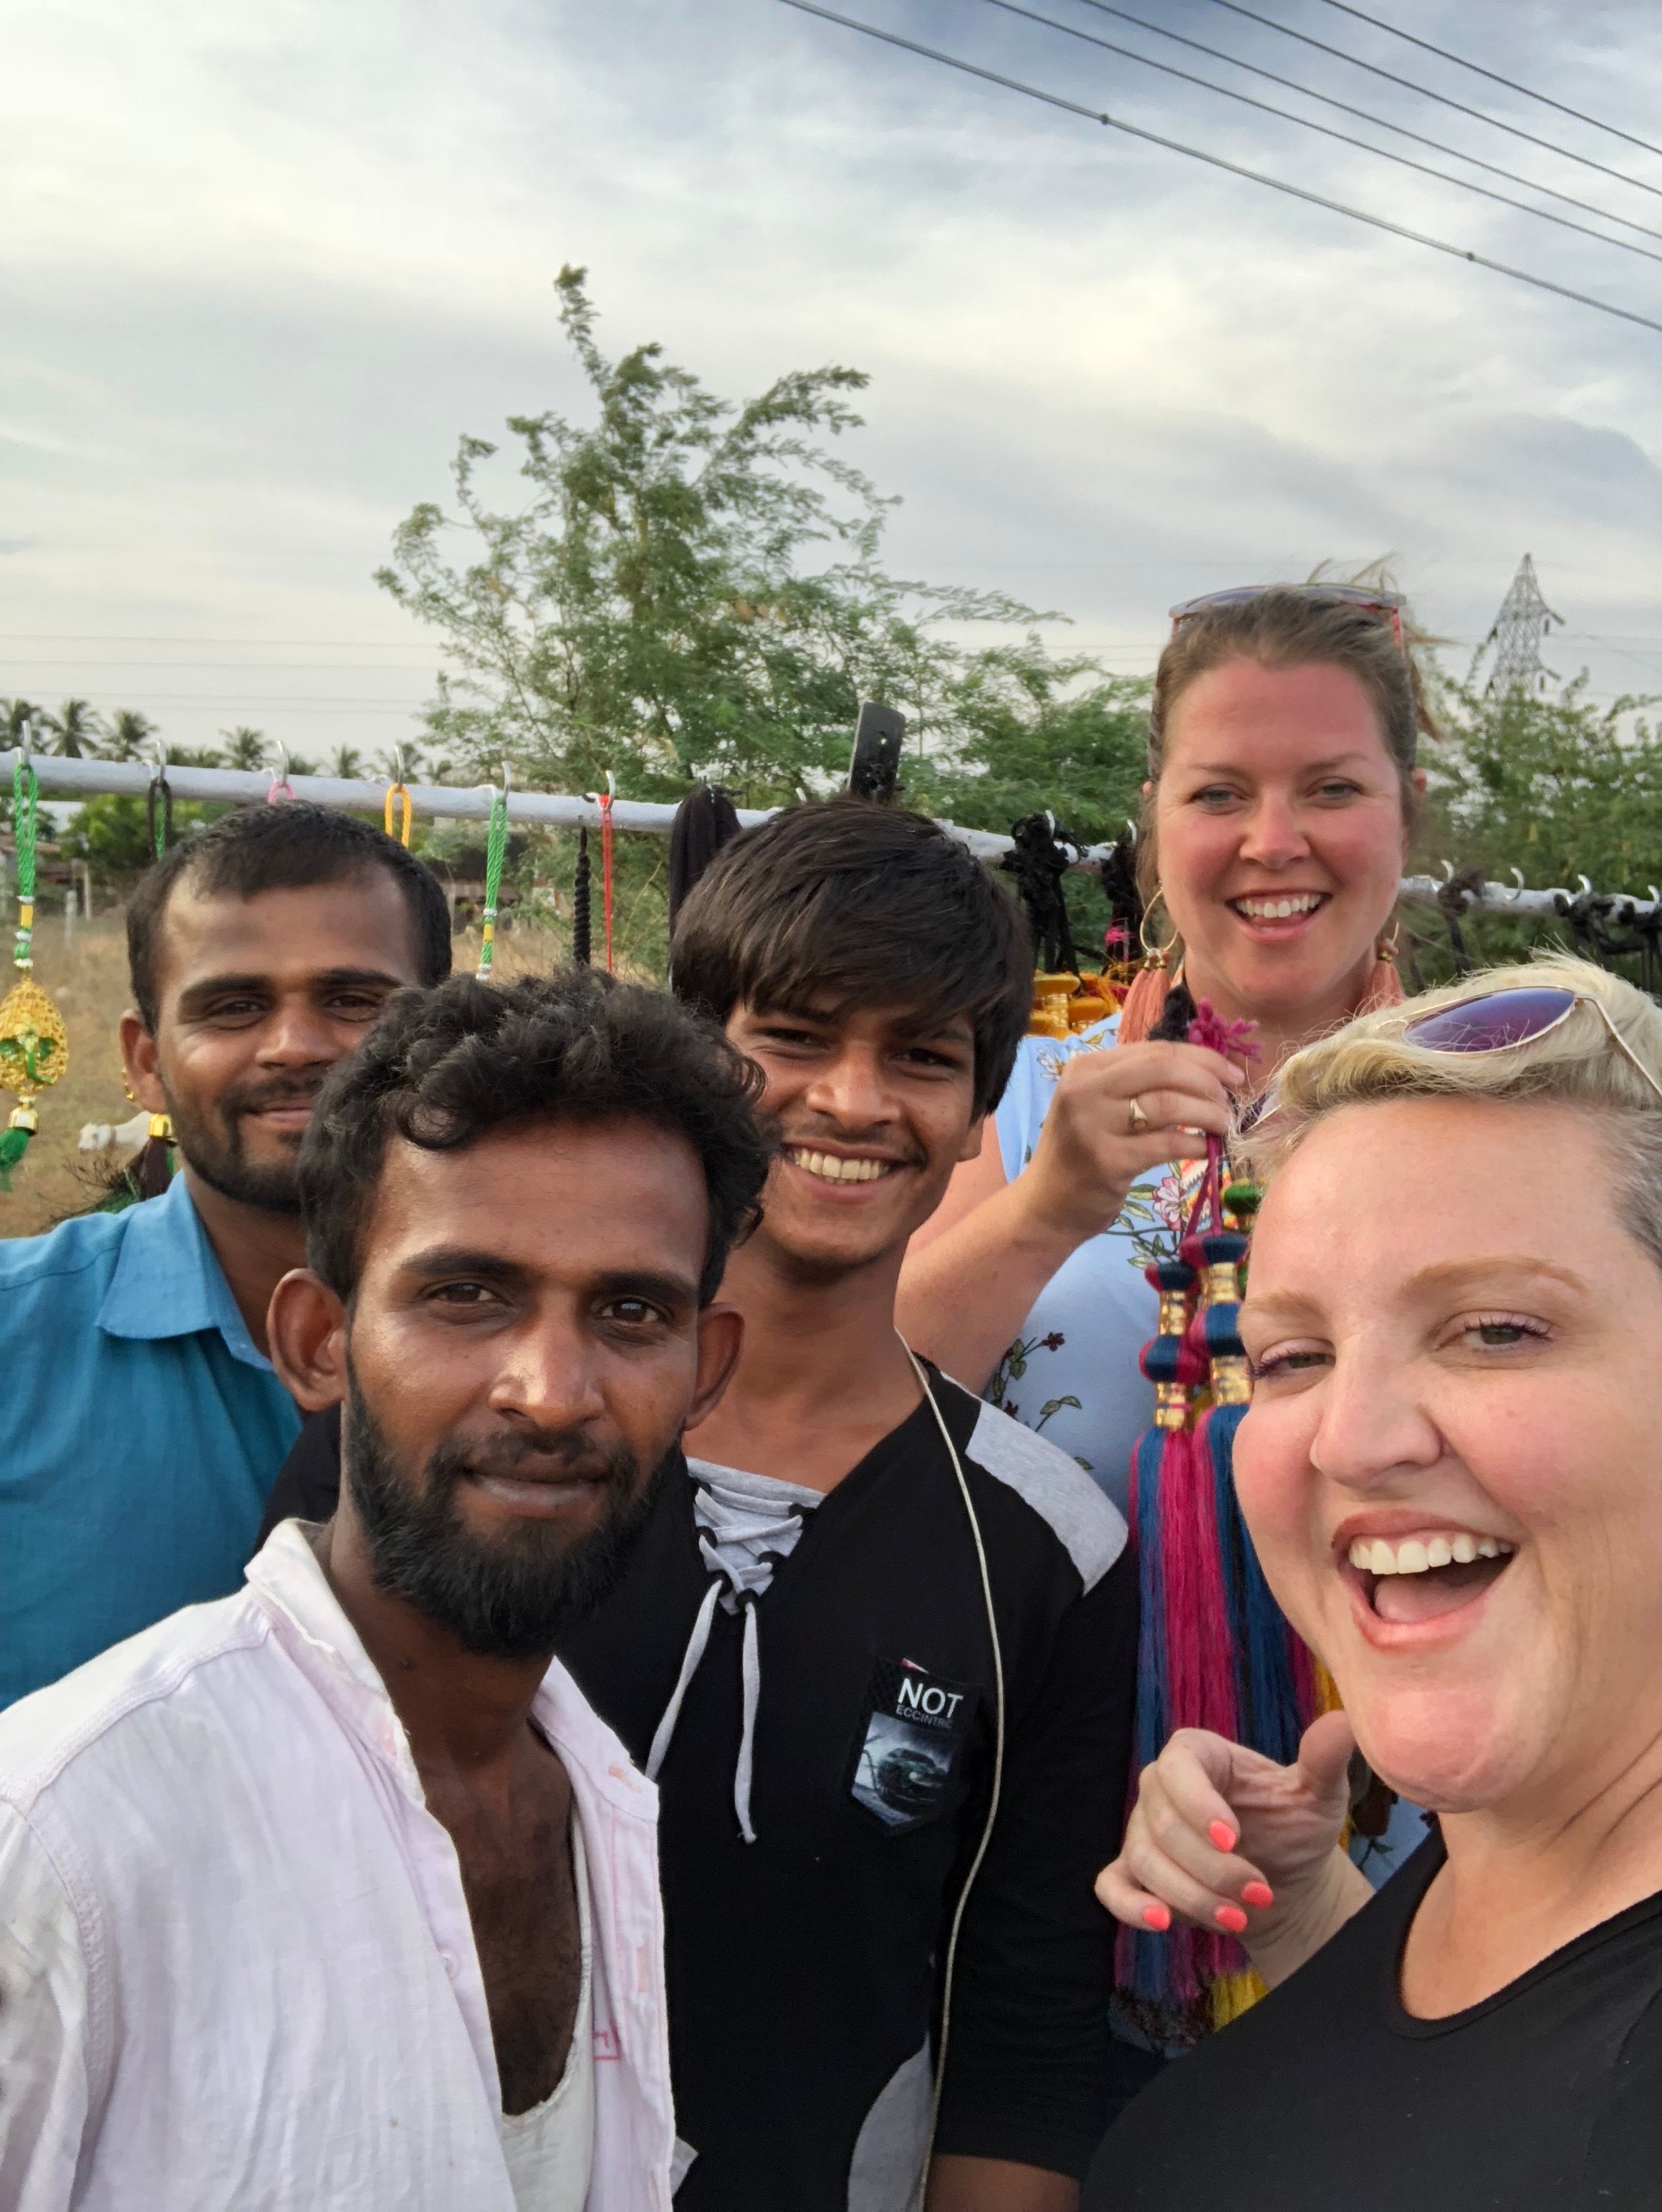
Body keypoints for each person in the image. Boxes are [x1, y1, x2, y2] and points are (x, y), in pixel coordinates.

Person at [261, 799, 1140, 2208]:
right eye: (791, 1034)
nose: (851, 1100)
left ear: (980, 1104)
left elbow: (1017, 2032)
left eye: (917, 1054)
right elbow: (257, 1852)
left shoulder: (1039, 1546)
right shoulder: (454, 1433)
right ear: (696, 1050)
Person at [0, 968, 773, 2211]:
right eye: (466, 1293)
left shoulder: (602, 1802)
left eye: (631, 1310)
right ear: (317, 1342)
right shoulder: (65, 1837)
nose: (551, 1387)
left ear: (704, 1371)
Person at [1090, 955, 1662, 2208]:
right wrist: (1312, 1922)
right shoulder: (1484, 1888)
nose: (1351, 1436)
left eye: (1496, 1328)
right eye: (1292, 1354)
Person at [898, 578, 1436, 1509]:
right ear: (1157, 818)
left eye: (1333, 788)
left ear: (1407, 810)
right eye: (1220, 792)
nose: (1273, 841)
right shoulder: (1018, 1095)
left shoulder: (1496, 1107)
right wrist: (1044, 1211)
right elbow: (850, 1407)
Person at [0, 802, 451, 1708]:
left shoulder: (555, 1353)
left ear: (446, 1030)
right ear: (145, 1061)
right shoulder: (15, 1342)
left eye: (354, 1001)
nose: (295, 1045)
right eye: (233, 1006)